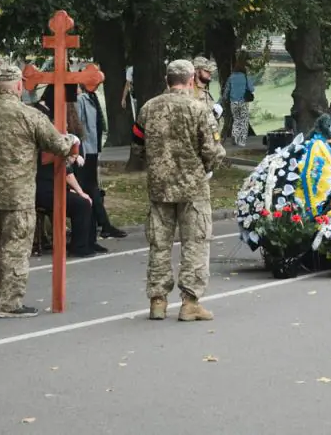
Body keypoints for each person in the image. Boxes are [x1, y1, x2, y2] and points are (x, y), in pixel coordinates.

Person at [0, 64, 79, 317]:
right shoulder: (31, 116)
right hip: (18, 196)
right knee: (15, 248)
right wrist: (72, 140)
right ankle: (8, 303)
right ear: (19, 86)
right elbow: (58, 145)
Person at [137, 59, 225, 321]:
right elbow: (212, 150)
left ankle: (157, 301)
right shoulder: (199, 109)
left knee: (159, 245)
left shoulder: (148, 108)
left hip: (159, 187)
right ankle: (190, 302)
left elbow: (137, 147)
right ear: (190, 81)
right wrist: (206, 168)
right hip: (193, 188)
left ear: (167, 80)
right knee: (195, 243)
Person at [34, 85, 101, 257]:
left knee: (87, 198)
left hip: (52, 183)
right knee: (83, 203)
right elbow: (65, 169)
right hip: (45, 187)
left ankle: (86, 242)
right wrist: (79, 191)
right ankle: (79, 247)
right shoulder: (45, 131)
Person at [75, 81, 126, 240]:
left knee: (93, 188)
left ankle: (102, 224)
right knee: (91, 188)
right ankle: (102, 225)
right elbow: (79, 125)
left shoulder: (93, 97)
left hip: (93, 148)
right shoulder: (82, 100)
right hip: (86, 149)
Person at [225, 52, 257, 147]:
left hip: (233, 102)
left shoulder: (231, 77)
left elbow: (226, 90)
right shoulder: (245, 76)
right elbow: (251, 89)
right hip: (243, 102)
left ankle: (235, 135)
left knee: (236, 120)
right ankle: (241, 141)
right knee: (243, 121)